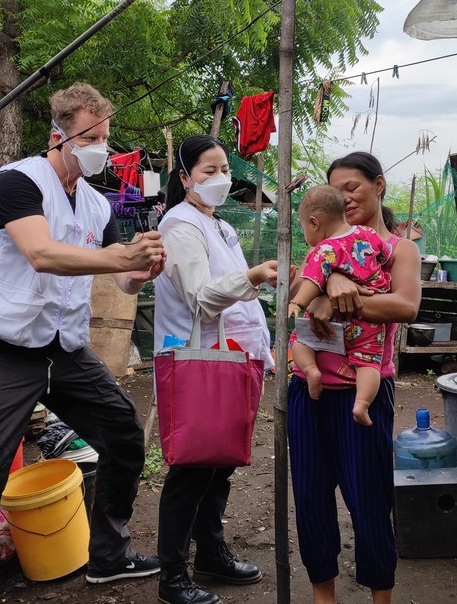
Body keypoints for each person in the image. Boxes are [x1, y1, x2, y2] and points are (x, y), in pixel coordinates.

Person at [0, 82, 166, 604]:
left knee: (124, 435)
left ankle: (110, 555)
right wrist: (120, 257)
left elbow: (121, 281)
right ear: (58, 136)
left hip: (64, 351)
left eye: (105, 137)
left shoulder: (97, 206)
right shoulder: (14, 183)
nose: (101, 147)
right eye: (90, 137)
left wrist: (141, 269)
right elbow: (40, 253)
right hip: (4, 351)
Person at [153, 134, 283, 604]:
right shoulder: (180, 225)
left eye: (225, 169)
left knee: (219, 464)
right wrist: (253, 276)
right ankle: (172, 577)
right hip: (200, 361)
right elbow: (203, 299)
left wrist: (263, 350)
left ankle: (210, 552)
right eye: (209, 170)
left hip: (233, 359)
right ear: (185, 177)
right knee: (192, 469)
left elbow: (239, 304)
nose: (221, 178)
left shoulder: (218, 224)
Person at [287, 151, 422, 604]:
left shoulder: (398, 249)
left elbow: (405, 306)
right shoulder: (323, 242)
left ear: (378, 185)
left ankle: (380, 596)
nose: (345, 197)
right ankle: (323, 596)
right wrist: (327, 281)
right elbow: (297, 291)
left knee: (369, 501)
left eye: (353, 187)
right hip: (309, 389)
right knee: (310, 498)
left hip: (362, 391)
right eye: (337, 190)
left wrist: (346, 296)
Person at [287, 184, 391, 426]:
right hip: (368, 323)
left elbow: (312, 280)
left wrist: (296, 302)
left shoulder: (323, 250)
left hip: (334, 324)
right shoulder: (367, 233)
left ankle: (311, 370)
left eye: (304, 228)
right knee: (369, 362)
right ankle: (362, 403)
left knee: (300, 341)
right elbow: (384, 254)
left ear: (314, 223)